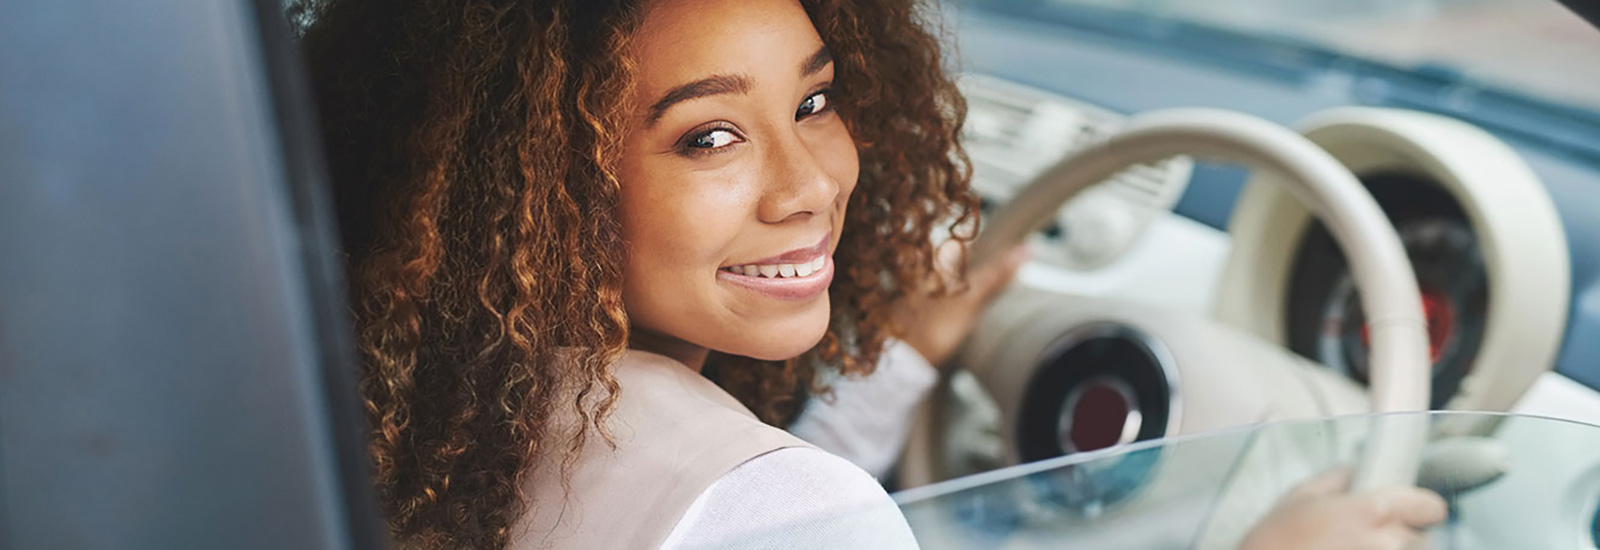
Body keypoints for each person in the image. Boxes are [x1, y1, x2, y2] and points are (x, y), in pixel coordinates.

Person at [292, 0, 1447, 548]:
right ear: (529, 178)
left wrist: (896, 360)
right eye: (709, 137)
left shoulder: (423, 417)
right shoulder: (782, 511)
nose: (809, 184)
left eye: (812, 102)